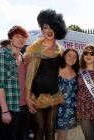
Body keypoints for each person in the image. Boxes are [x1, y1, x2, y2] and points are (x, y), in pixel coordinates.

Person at [24, 9, 67, 140]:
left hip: (54, 95)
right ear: (42, 30)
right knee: (39, 128)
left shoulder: (61, 51)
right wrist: (27, 97)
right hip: (35, 96)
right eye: (45, 27)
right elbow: (27, 75)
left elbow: (65, 72)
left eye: (52, 27)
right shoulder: (33, 49)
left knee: (50, 128)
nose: (49, 30)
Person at [0, 25, 30, 140]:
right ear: (10, 39)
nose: (21, 39)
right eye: (17, 36)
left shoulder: (22, 57)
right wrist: (4, 111)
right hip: (10, 108)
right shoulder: (2, 56)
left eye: (24, 37)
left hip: (24, 108)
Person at [55, 48, 80, 140]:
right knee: (60, 135)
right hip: (57, 107)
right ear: (64, 56)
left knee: (63, 135)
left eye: (74, 57)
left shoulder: (77, 72)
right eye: (69, 55)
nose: (72, 58)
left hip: (71, 107)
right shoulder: (56, 70)